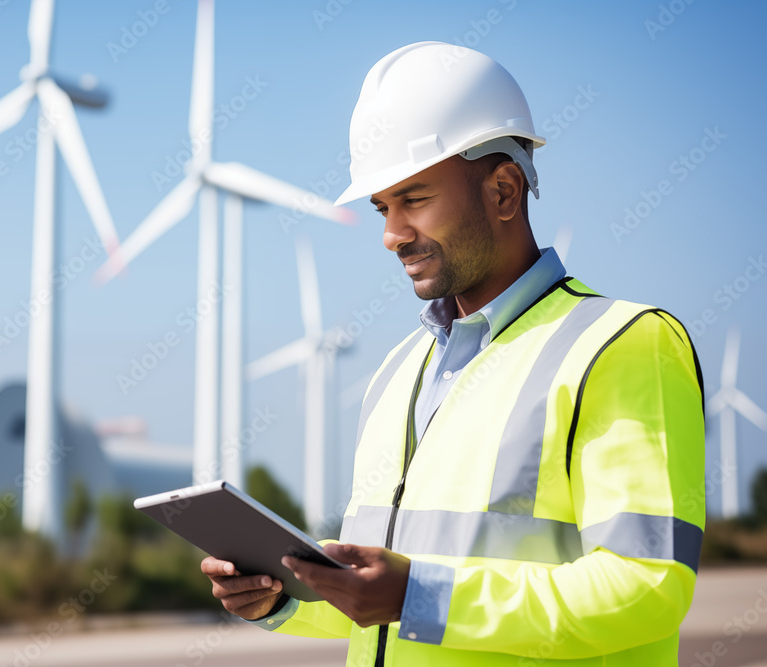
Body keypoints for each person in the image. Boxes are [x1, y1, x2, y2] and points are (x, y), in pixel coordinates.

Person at [200, 42, 705, 666]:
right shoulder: (395, 374)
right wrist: (281, 599)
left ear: (503, 191)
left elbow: (647, 585)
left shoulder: (620, 346)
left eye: (414, 200)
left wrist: (419, 595)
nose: (391, 236)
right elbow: (382, 612)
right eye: (383, 208)